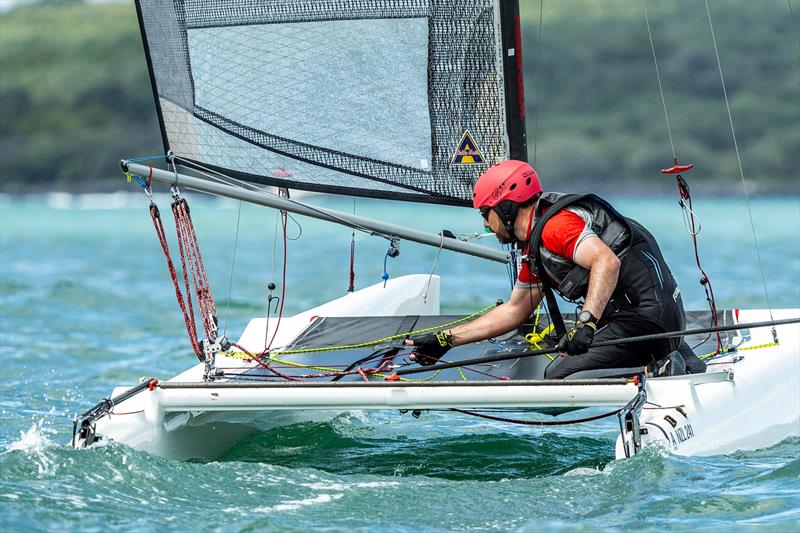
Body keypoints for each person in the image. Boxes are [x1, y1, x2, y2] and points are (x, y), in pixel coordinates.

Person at [406, 159, 696, 379]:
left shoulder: (555, 227)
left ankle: (656, 369)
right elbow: (515, 310)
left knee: (558, 374)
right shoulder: (536, 242)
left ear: (506, 207)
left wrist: (586, 323)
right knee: (565, 357)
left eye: (486, 213)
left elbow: (606, 261)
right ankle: (682, 362)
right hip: (662, 319)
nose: (484, 224)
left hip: (647, 322)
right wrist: (446, 340)